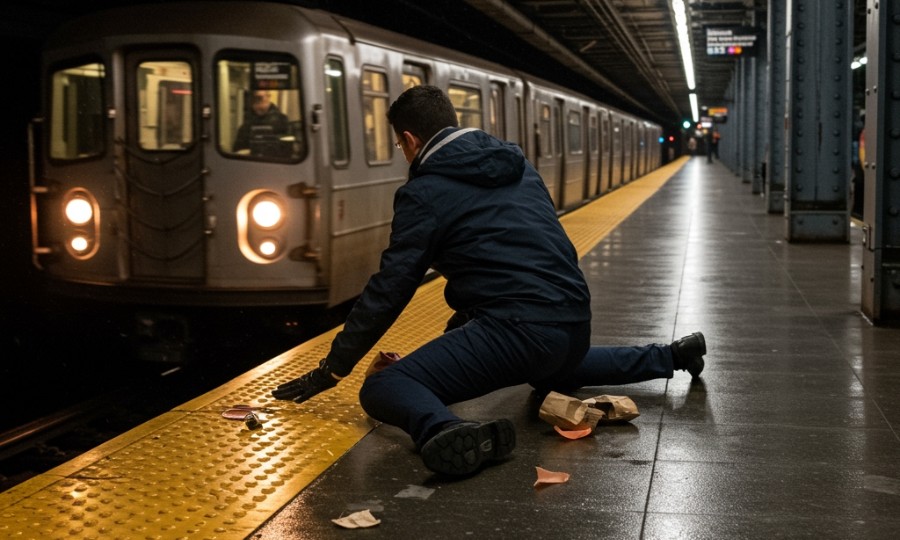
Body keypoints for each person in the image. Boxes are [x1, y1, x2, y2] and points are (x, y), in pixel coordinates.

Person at [271, 85, 707, 476]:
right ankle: (670, 356)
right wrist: (465, 321)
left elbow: (391, 287)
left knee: (387, 386)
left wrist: (333, 368)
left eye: (400, 146)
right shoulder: (519, 166)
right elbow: (520, 250)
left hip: (518, 331)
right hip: (572, 320)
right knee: (551, 366)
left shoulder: (423, 193)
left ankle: (445, 430)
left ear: (409, 140)